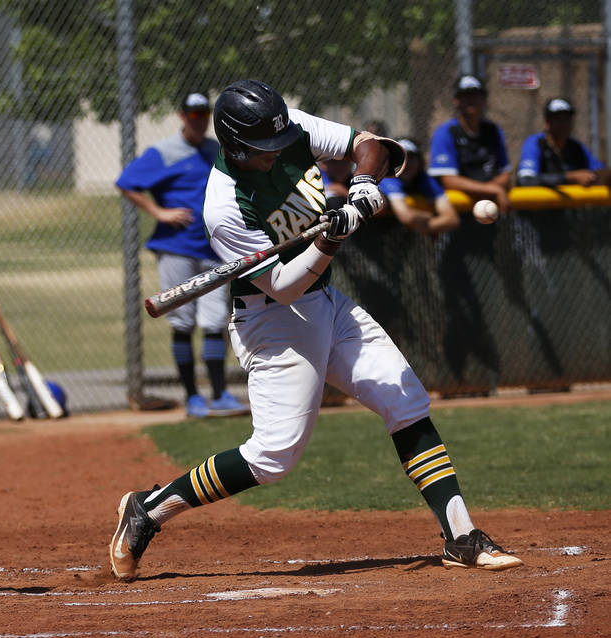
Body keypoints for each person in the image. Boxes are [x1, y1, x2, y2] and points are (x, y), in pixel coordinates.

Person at [109, 79, 523, 581]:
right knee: (273, 457)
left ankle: (460, 536)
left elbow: (371, 147)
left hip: (326, 299)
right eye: (264, 149)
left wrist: (364, 186)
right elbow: (281, 286)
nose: (277, 153)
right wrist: (331, 239)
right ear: (236, 147)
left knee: (406, 400)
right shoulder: (224, 207)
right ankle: (149, 509)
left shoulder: (291, 128)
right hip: (272, 319)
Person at [116, 90, 248, 418]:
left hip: (215, 247)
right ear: (181, 116)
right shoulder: (164, 151)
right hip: (177, 247)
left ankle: (219, 395)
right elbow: (126, 182)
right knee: (182, 321)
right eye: (193, 115)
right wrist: (159, 212)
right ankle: (192, 397)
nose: (199, 120)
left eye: (204, 114)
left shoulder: (216, 150)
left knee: (215, 320)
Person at [428, 75, 512, 215]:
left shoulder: (493, 131)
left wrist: (490, 189)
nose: (471, 100)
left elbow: (505, 174)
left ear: (484, 99)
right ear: (456, 100)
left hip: (490, 207)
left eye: (475, 95)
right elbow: (448, 180)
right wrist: (492, 189)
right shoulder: (446, 132)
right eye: (465, 95)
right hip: (457, 211)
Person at [517, 97, 610, 187]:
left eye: (567, 119)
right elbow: (525, 180)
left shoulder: (576, 147)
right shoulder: (535, 143)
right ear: (547, 122)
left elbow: (599, 171)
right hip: (542, 202)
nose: (564, 124)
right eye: (558, 119)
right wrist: (569, 177)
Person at [379, 137, 460, 235]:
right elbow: (407, 217)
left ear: (420, 161)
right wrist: (429, 216)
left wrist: (425, 227)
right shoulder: (388, 177)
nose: (406, 164)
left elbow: (452, 219)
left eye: (411, 158)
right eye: (401, 158)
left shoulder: (425, 179)